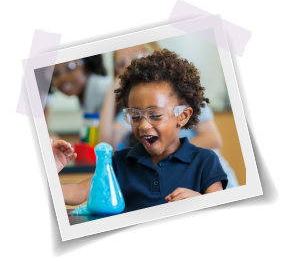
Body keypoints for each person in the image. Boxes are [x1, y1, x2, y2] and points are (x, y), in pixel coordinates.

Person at [60, 49, 228, 209]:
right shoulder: (120, 162)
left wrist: (200, 202)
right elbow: (81, 190)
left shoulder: (205, 162)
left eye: (155, 115)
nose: (143, 125)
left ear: (183, 116)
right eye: (135, 116)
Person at [98, 43, 160, 150]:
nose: (128, 67)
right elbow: (105, 149)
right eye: (121, 64)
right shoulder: (131, 111)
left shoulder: (178, 95)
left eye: (135, 57)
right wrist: (111, 93)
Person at [45, 54, 113, 141]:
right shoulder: (84, 95)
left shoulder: (103, 88)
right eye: (55, 74)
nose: (63, 77)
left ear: (86, 63)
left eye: (69, 67)